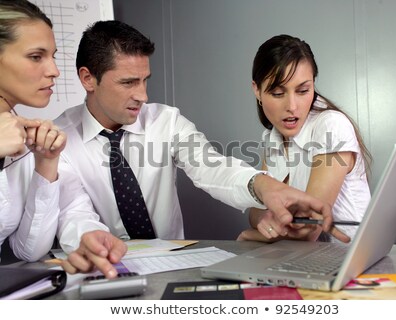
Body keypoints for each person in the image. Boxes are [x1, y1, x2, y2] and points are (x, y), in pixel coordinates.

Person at [56, 21, 350, 276]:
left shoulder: (165, 120)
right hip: (100, 266)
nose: (143, 95)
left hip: (167, 265)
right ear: (88, 79)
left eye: (145, 80)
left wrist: (261, 185)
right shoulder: (59, 139)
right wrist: (89, 237)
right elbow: (73, 212)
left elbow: (210, 165)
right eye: (128, 82)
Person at [239, 34, 371, 243]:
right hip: (302, 261)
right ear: (257, 90)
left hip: (352, 263)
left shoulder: (331, 126)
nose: (292, 106)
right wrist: (265, 217)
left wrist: (252, 235)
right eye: (277, 93)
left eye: (302, 90)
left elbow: (309, 230)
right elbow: (257, 212)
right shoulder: (272, 137)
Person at [0, 0, 66, 261]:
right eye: (36, 57)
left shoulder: (20, 136)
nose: (54, 71)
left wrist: (46, 165)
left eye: (53, 56)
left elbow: (28, 251)